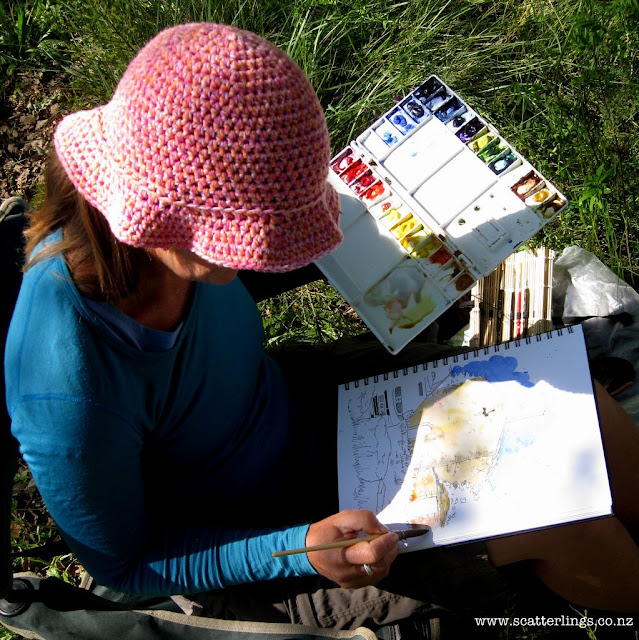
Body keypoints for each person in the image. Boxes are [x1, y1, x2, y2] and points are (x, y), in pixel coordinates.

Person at [4, 22, 639, 631]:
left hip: (310, 411)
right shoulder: (68, 380)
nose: (270, 254)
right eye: (257, 240)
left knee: (588, 411)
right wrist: (300, 548)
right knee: (559, 519)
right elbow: (122, 562)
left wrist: (423, 249)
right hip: (259, 543)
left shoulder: (165, 251)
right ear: (174, 235)